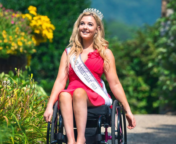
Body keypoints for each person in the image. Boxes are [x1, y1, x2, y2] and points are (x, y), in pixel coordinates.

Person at [44, 8, 136, 144]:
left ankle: (81, 139)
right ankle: (71, 140)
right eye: (82, 23)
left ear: (97, 29)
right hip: (70, 94)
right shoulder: (69, 53)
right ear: (78, 26)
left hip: (94, 95)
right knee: (63, 95)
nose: (85, 27)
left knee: (79, 93)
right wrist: (49, 105)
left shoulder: (105, 53)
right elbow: (60, 81)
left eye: (89, 24)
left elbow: (115, 83)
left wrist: (127, 110)